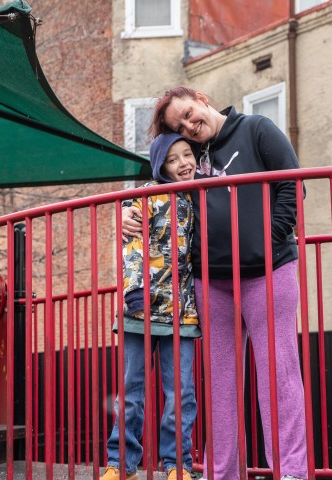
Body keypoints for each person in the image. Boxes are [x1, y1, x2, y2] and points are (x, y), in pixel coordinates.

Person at [122, 87, 308, 480]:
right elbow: (157, 194)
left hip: (267, 272)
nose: (190, 125)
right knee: (220, 383)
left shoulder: (257, 129)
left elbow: (293, 186)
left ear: (201, 100)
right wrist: (127, 213)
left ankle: (290, 471)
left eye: (189, 114)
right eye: (181, 126)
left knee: (278, 374)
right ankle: (222, 474)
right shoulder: (190, 157)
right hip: (212, 281)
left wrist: (266, 239)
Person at [101, 133, 201, 480]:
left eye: (187, 154)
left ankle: (178, 465)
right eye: (173, 159)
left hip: (183, 313)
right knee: (130, 392)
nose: (183, 163)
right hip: (140, 311)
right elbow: (132, 245)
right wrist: (134, 293)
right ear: (161, 166)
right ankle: (121, 463)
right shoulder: (149, 196)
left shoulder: (201, 199)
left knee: (181, 394)